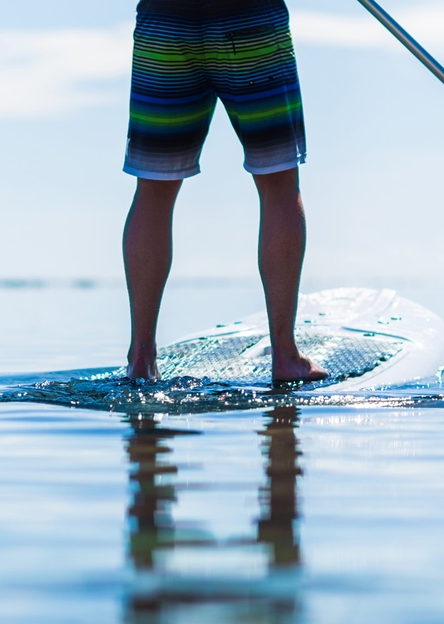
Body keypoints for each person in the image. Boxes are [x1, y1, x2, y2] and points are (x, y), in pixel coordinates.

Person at [122, 0, 324, 382]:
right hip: (250, 20)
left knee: (154, 190)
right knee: (278, 183)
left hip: (165, 24)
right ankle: (285, 356)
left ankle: (141, 359)